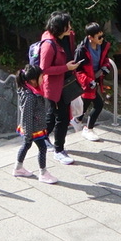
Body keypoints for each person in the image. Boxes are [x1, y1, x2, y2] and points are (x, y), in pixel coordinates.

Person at [34, 12, 76, 166]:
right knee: (62, 118)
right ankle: (59, 150)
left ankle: (42, 138)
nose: (70, 28)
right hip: (54, 88)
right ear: (59, 28)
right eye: (67, 25)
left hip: (64, 84)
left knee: (53, 114)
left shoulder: (65, 37)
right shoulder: (49, 44)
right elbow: (44, 68)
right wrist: (66, 67)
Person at [12, 62, 58, 184]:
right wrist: (28, 133)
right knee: (42, 147)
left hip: (34, 127)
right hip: (33, 128)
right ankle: (43, 173)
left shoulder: (32, 91)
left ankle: (18, 168)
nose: (43, 79)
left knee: (27, 146)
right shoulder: (30, 96)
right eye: (41, 77)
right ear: (33, 80)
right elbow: (27, 116)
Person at [71, 22, 114, 142]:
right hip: (87, 82)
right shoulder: (82, 50)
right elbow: (77, 70)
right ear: (90, 37)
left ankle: (78, 121)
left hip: (94, 79)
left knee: (87, 103)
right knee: (97, 104)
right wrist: (88, 81)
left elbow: (105, 59)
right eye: (99, 37)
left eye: (102, 36)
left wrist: (106, 67)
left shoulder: (103, 46)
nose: (102, 39)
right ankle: (87, 128)